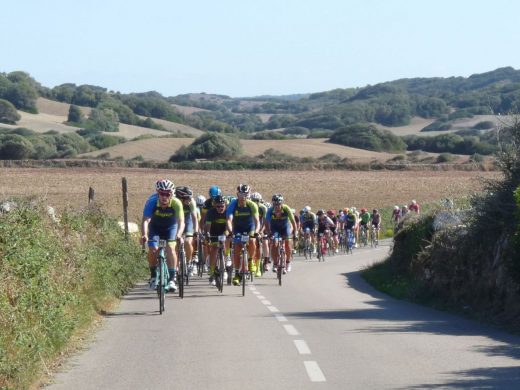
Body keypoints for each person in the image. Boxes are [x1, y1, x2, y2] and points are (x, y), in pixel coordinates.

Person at [141, 179, 185, 293]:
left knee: (170, 248)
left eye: (167, 194)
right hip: (155, 228)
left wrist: (179, 235)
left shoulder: (176, 203)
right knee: (153, 249)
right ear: (157, 193)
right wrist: (144, 234)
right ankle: (153, 276)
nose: (164, 196)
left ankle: (172, 279)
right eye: (161, 193)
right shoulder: (151, 202)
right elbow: (146, 220)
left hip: (171, 228)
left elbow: (181, 221)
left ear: (172, 194)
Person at [226, 184, 260, 286]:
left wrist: (257, 232)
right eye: (241, 194)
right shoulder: (233, 204)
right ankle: (237, 274)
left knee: (252, 240)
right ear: (237, 194)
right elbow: (229, 220)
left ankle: (251, 261)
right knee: (237, 248)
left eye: (245, 194)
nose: (243, 197)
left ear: (249, 194)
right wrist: (231, 232)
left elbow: (257, 221)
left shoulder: (252, 205)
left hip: (250, 228)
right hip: (237, 229)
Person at [265, 194, 297, 273]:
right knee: (274, 243)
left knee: (288, 244)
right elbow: (266, 223)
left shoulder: (286, 209)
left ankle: (288, 263)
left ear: (281, 203)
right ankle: (275, 263)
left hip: (285, 228)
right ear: (273, 204)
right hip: (275, 229)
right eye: (275, 204)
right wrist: (269, 233)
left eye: (279, 204)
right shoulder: (270, 210)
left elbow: (293, 222)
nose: (277, 206)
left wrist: (295, 233)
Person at [204, 195, 230, 286]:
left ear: (225, 205)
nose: (220, 208)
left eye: (222, 206)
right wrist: (207, 234)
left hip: (224, 231)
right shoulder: (210, 212)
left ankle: (227, 259)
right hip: (213, 231)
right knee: (214, 249)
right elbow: (207, 226)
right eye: (218, 206)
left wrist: (226, 233)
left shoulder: (227, 212)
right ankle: (211, 270)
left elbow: (229, 226)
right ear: (215, 206)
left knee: (226, 241)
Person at [175, 186, 199, 276]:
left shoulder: (191, 202)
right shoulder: (174, 202)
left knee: (188, 242)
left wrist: (196, 231)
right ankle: (176, 265)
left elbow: (194, 218)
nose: (190, 200)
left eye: (190, 198)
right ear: (181, 198)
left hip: (187, 221)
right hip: (176, 222)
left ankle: (189, 263)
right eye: (188, 198)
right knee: (176, 244)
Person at [251, 192, 270, 274]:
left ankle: (265, 262)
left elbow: (266, 222)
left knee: (265, 243)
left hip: (262, 227)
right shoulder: (249, 207)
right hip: (252, 228)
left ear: (260, 201)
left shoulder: (263, 208)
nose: (255, 202)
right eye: (253, 200)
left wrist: (261, 231)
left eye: (257, 201)